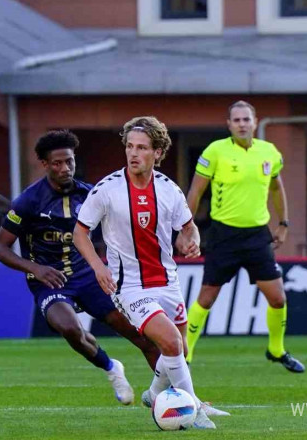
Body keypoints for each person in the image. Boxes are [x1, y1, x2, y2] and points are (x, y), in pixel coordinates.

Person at [74, 116, 222, 430]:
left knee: (177, 350)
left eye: (142, 147)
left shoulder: (169, 189)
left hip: (167, 281)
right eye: (129, 146)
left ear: (158, 152)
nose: (133, 153)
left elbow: (188, 227)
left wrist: (191, 240)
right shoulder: (108, 189)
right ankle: (195, 410)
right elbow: (80, 233)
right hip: (129, 286)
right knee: (170, 343)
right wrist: (99, 267)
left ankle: (154, 393)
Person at [0, 130, 159, 406]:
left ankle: (173, 394)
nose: (64, 168)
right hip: (49, 281)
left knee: (139, 333)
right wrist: (36, 268)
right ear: (45, 165)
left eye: (69, 161)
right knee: (70, 329)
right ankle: (110, 367)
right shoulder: (28, 202)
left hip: (88, 276)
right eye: (57, 163)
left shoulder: (90, 193)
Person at [183, 101, 305, 373]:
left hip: (257, 237)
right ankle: (185, 353)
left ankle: (276, 350)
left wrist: (283, 223)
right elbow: (195, 192)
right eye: (236, 120)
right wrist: (186, 228)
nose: (241, 124)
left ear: (254, 121)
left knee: (278, 298)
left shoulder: (269, 152)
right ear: (228, 124)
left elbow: (276, 188)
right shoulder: (215, 151)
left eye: (245, 119)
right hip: (223, 235)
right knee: (206, 298)